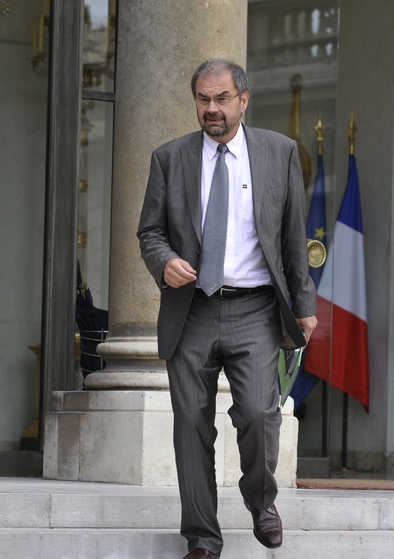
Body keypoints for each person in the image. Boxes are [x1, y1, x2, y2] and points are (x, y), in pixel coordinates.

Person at [137, 58, 317, 559]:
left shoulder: (278, 153)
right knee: (190, 423)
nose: (211, 109)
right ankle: (201, 537)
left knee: (260, 413)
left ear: (243, 99)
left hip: (256, 308)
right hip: (190, 310)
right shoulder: (169, 158)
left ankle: (262, 501)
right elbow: (149, 231)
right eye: (202, 99)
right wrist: (165, 260)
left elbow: (291, 238)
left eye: (220, 99)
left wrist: (303, 305)